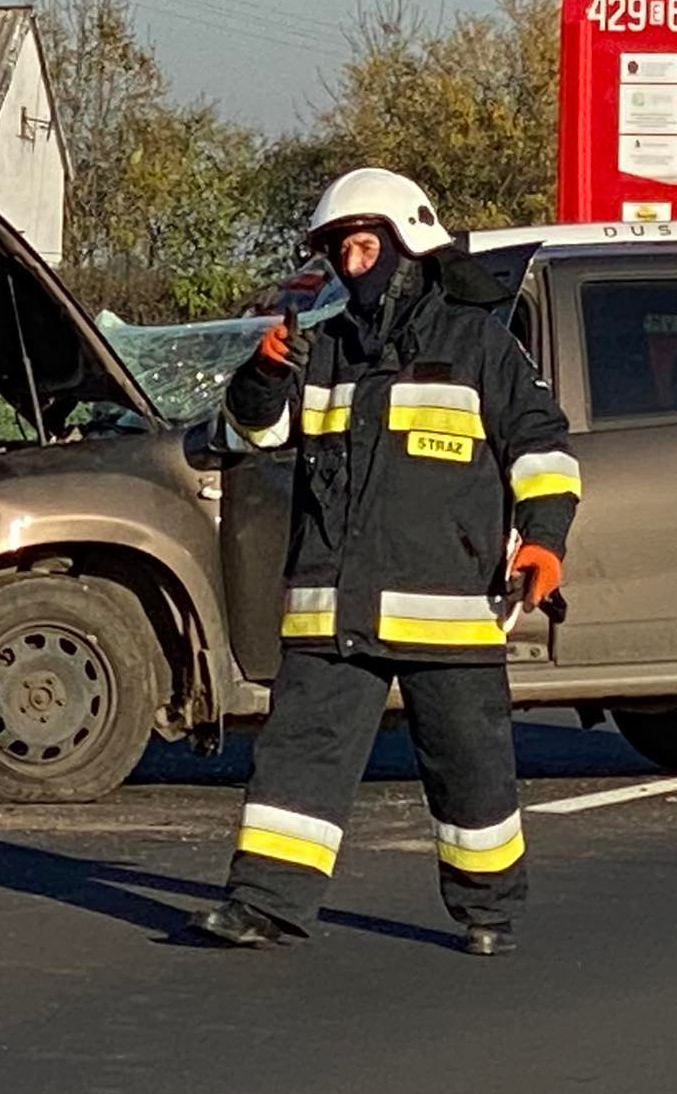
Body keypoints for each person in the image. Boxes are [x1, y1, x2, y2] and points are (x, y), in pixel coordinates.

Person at [192, 169, 581, 956]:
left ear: (411, 246)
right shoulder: (323, 350)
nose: (354, 264)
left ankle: (488, 910)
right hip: (332, 608)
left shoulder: (477, 345)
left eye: (367, 245)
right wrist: (263, 375)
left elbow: (542, 447)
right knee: (298, 762)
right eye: (342, 251)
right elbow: (250, 437)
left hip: (450, 605)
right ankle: (266, 904)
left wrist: (543, 539)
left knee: (471, 770)